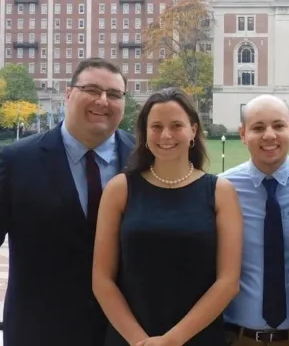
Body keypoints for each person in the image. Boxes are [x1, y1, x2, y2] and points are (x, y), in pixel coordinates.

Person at [0, 58, 135, 346]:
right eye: (92, 90)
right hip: (41, 330)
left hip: (127, 333)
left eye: (114, 94)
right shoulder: (18, 160)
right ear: (68, 93)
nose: (102, 101)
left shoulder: (144, 159)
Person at [93, 87, 242, 345]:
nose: (166, 135)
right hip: (130, 339)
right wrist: (140, 341)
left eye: (176, 125)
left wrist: (172, 340)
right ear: (145, 132)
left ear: (193, 130)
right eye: (156, 126)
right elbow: (102, 280)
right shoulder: (121, 189)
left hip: (198, 338)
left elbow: (228, 282)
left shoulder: (220, 192)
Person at [222, 94, 289, 345]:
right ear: (243, 134)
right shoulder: (221, 189)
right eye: (258, 127)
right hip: (239, 337)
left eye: (278, 126)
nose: (269, 135)